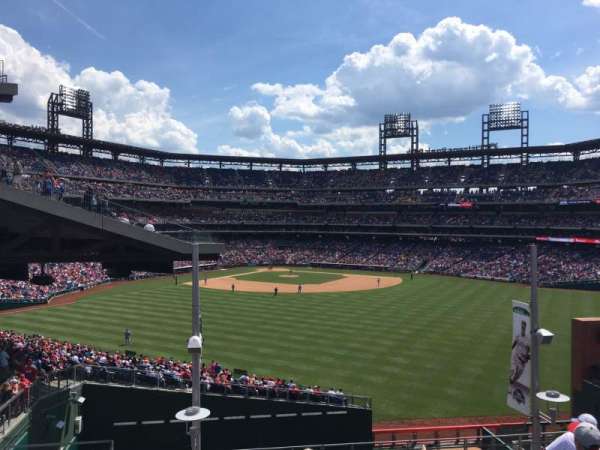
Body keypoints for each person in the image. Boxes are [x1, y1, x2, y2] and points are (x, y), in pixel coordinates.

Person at [509, 320, 530, 384]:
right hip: (516, 357)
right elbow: (513, 345)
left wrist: (527, 357)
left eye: (524, 326)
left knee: (519, 373)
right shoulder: (518, 336)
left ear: (525, 327)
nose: (523, 327)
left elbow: (529, 350)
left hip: (523, 360)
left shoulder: (527, 339)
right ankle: (511, 379)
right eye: (522, 326)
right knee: (516, 369)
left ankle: (512, 380)